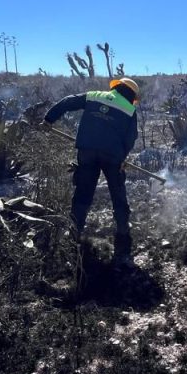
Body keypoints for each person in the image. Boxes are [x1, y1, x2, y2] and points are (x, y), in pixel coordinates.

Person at [44, 77, 140, 266]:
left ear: (116, 87)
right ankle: (123, 233)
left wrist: (49, 119)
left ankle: (74, 232)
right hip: (113, 156)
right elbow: (131, 137)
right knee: (118, 193)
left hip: (86, 151)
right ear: (132, 95)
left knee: (83, 192)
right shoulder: (130, 110)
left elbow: (67, 102)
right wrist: (123, 157)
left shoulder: (94, 95)